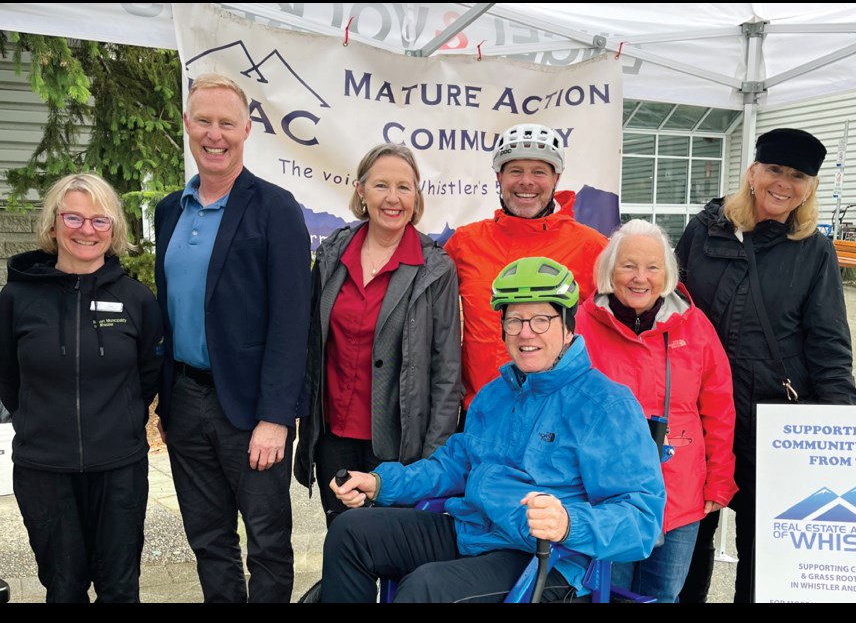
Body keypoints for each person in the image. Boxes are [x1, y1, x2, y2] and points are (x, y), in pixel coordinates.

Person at [319, 257, 666, 603]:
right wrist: (381, 484)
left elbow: (642, 518)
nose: (525, 332)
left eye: (541, 320)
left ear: (568, 325)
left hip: (545, 556)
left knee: (426, 588)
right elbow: (455, 465)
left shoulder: (606, 406)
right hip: (474, 530)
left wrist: (568, 522)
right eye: (514, 320)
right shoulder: (495, 394)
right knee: (350, 532)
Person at [674, 128, 856, 603]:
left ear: (810, 186)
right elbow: (671, 313)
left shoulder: (814, 249)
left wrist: (848, 428)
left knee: (765, 560)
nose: (784, 183)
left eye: (798, 175)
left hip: (775, 425)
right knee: (687, 547)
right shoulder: (705, 229)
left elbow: (829, 344)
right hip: (701, 420)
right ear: (753, 172)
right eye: (775, 169)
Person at [153, 72, 311, 603]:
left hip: (250, 412)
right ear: (186, 125)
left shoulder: (275, 208)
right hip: (186, 400)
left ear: (246, 129)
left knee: (267, 542)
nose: (214, 134)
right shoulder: (170, 209)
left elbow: (293, 322)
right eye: (203, 121)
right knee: (209, 539)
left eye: (226, 123)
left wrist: (275, 418)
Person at [0, 173, 163, 602]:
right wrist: (38, 420)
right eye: (73, 217)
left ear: (114, 230)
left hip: (119, 468)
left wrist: (121, 418)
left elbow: (148, 373)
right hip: (44, 470)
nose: (86, 230)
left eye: (99, 220)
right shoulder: (17, 298)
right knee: (63, 588)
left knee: (120, 589)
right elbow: (8, 377)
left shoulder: (136, 300)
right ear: (53, 225)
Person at [293, 143, 461, 526]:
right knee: (344, 540)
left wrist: (434, 458)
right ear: (360, 190)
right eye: (381, 185)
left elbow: (447, 371)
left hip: (403, 448)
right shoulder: (334, 254)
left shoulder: (435, 267)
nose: (393, 198)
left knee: (394, 554)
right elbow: (312, 346)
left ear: (416, 196)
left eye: (405, 187)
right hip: (333, 438)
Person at [576, 218, 737, 603]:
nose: (640, 277)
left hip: (678, 492)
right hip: (603, 495)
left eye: (652, 267)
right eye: (628, 265)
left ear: (667, 274)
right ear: (608, 270)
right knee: (607, 594)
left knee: (663, 595)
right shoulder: (579, 325)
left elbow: (718, 408)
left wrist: (718, 480)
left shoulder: (695, 327)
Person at [443, 123, 608, 412]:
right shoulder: (465, 243)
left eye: (539, 172)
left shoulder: (592, 247)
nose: (527, 181)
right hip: (483, 410)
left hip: (560, 413)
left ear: (556, 178)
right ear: (499, 177)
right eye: (515, 171)